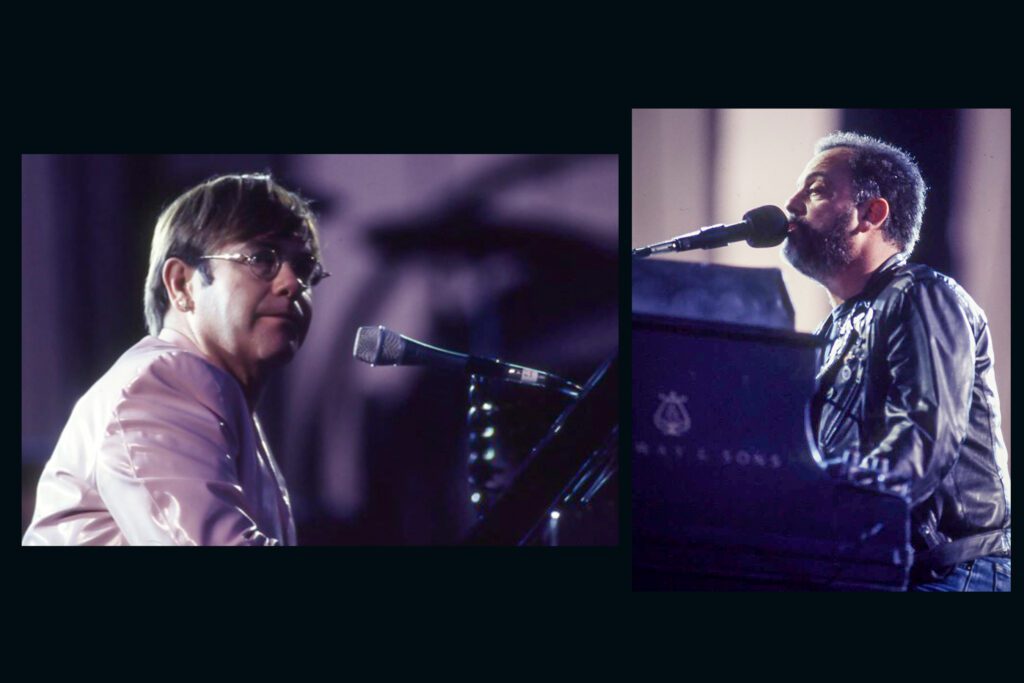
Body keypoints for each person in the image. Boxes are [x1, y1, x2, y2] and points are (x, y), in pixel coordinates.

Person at [22, 173, 329, 546]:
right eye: (262, 258)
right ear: (182, 284)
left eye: (305, 267)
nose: (292, 283)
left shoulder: (211, 394)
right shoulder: (163, 382)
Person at [782, 131, 1011, 590]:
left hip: (951, 574)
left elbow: (922, 441)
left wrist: (829, 504)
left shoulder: (921, 295)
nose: (791, 203)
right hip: (885, 567)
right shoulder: (830, 333)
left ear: (871, 213)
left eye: (817, 189)